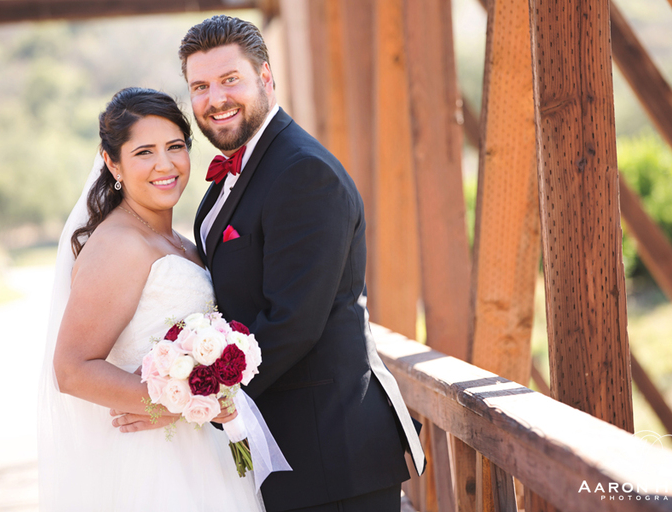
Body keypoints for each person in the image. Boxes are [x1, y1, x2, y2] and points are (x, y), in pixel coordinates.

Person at [110, 15, 426, 512]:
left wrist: (191, 401)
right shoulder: (232, 176)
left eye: (229, 79)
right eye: (200, 86)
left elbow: (292, 323)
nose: (216, 99)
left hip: (329, 457)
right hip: (283, 453)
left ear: (265, 77)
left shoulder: (303, 173)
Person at [38, 87, 270, 511]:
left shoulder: (181, 241)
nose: (165, 164)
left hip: (204, 451)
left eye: (175, 147)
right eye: (144, 152)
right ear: (113, 163)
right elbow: (70, 369)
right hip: (156, 464)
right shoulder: (119, 244)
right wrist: (178, 403)